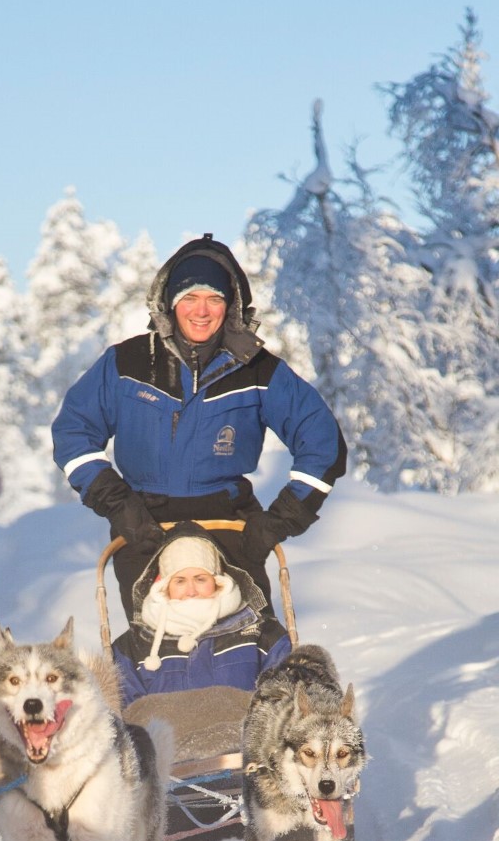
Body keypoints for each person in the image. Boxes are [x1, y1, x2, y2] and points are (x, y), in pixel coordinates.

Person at [51, 232, 347, 618]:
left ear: (231, 305)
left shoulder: (257, 369)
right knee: (155, 650)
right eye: (189, 297)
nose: (201, 311)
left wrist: (278, 521)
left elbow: (322, 442)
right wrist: (119, 505)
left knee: (250, 644)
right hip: (144, 525)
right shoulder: (127, 364)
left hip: (231, 525)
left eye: (214, 298)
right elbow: (73, 432)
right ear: (169, 304)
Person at [112, 526, 291, 706]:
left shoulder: (260, 634)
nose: (191, 591)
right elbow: (129, 715)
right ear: (164, 586)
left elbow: (282, 701)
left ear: (219, 581)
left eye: (200, 579)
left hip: (243, 732)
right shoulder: (133, 646)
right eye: (180, 581)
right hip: (164, 734)